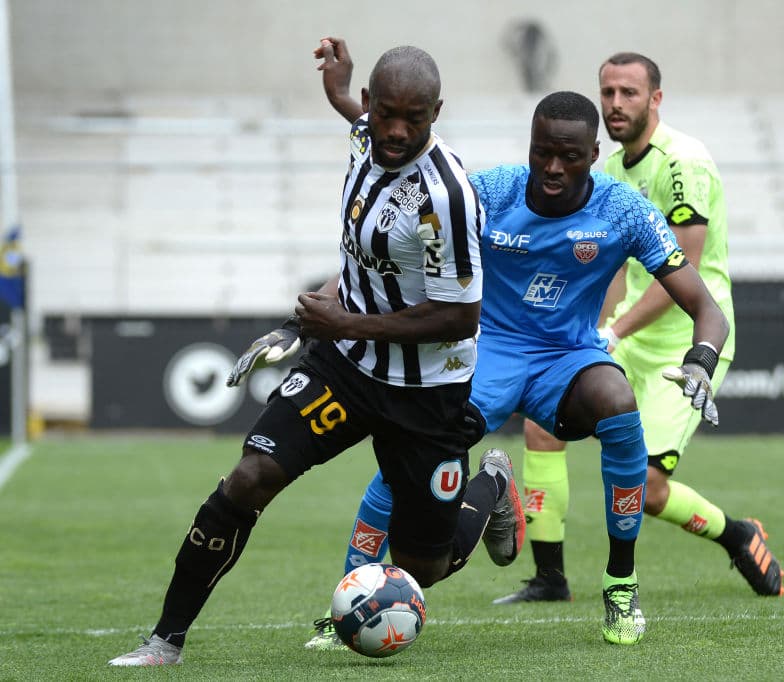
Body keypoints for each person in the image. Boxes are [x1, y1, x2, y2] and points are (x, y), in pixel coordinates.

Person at [108, 43, 525, 667]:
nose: (396, 131)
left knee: (422, 568)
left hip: (426, 394)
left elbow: (459, 317)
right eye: (385, 113)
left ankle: (490, 483)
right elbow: (356, 122)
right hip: (344, 370)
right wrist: (340, 88)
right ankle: (165, 639)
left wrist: (342, 320)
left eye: (415, 118)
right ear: (371, 107)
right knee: (249, 478)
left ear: (438, 111)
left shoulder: (447, 199)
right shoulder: (367, 138)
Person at [307, 38, 730, 647]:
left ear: (594, 155)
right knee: (409, 453)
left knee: (618, 402)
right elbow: (401, 214)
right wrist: (323, 304)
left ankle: (620, 587)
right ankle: (350, 596)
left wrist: (701, 359)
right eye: (542, 154)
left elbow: (704, 307)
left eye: (569, 157)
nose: (553, 169)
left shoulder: (625, 209)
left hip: (570, 356)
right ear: (529, 147)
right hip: (487, 353)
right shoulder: (492, 192)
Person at [497, 52, 784, 604]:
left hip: (685, 346)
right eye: (607, 93)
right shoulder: (605, 173)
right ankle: (550, 579)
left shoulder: (682, 164)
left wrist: (616, 329)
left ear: (655, 99)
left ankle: (737, 534)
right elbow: (603, 268)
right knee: (541, 428)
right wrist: (596, 329)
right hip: (626, 335)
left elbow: (687, 268)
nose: (615, 104)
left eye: (629, 93)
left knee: (649, 490)